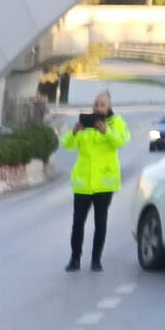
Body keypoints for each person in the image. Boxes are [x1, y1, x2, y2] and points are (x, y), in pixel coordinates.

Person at [60, 90, 130, 273]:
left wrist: (106, 131)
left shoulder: (116, 123)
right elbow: (67, 145)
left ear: (109, 107)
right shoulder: (85, 124)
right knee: (78, 223)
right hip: (83, 183)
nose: (98, 108)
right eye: (96, 104)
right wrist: (74, 132)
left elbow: (121, 141)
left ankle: (96, 260)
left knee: (100, 222)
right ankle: (75, 259)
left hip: (104, 183)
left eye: (102, 105)